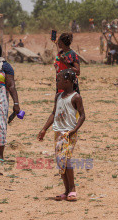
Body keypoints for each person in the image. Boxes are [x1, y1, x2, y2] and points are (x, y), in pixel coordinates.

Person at [38, 69, 86, 202]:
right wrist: (44, 129)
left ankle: (73, 189)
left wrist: (74, 130)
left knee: (66, 160)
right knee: (61, 162)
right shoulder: (58, 96)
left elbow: (82, 115)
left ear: (67, 82)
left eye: (58, 80)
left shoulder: (76, 97)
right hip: (58, 133)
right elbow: (53, 114)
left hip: (69, 133)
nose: (56, 82)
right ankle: (66, 190)